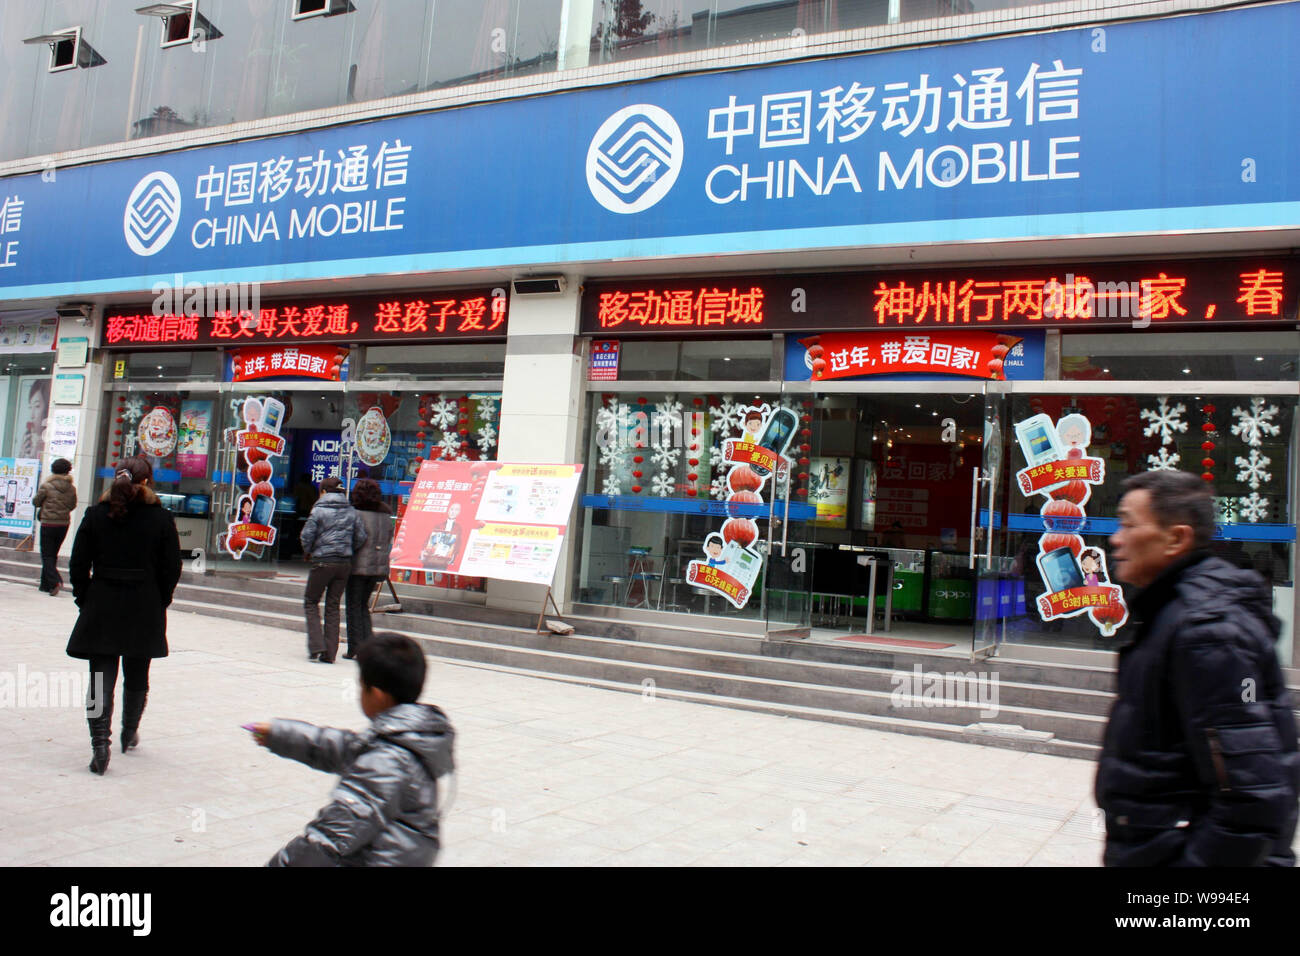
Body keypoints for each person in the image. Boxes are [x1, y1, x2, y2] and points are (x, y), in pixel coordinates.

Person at [1097, 470, 1300, 866]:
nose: (1115, 540)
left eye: (1129, 524)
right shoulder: (1170, 613)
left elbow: (1251, 797)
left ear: (1177, 538)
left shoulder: (1207, 633)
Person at [249, 633, 455, 866]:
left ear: (376, 695)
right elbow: (339, 746)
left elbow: (330, 838)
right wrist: (280, 734)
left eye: (361, 687)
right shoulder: (405, 739)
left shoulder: (387, 760)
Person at [65, 456, 182, 775]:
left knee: (99, 678)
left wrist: (85, 598)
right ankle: (129, 732)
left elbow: (77, 564)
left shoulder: (96, 514)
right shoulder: (160, 518)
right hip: (143, 605)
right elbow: (173, 566)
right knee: (137, 673)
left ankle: (99, 745)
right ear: (147, 481)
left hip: (102, 602)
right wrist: (161, 599)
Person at [300, 475, 367, 663]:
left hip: (322, 561)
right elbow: (361, 537)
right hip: (344, 563)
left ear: (323, 491)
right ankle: (329, 653)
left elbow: (307, 536)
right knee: (333, 606)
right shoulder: (352, 511)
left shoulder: (318, 510)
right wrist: (348, 549)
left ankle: (316, 646)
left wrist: (309, 551)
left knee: (311, 601)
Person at [345, 478, 393, 660]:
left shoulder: (356, 514)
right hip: (377, 567)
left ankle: (355, 647)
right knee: (363, 606)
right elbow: (388, 538)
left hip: (358, 566)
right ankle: (368, 646)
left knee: (353, 606)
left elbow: (354, 540)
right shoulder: (386, 515)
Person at [32, 457, 77, 595]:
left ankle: (54, 581)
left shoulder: (47, 486)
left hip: (48, 523)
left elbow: (36, 502)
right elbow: (72, 505)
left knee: (47, 554)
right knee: (53, 554)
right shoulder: (71, 488)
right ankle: (45, 584)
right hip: (63, 524)